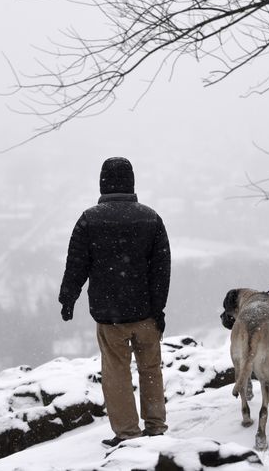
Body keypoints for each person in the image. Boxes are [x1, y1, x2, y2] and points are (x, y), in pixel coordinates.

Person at [58, 156, 171, 447]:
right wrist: (158, 308)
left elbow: (76, 265)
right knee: (150, 368)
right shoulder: (151, 218)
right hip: (145, 313)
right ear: (132, 182)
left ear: (102, 183)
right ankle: (156, 426)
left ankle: (127, 434)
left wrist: (68, 298)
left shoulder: (89, 219)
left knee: (116, 372)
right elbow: (161, 269)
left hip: (110, 315)